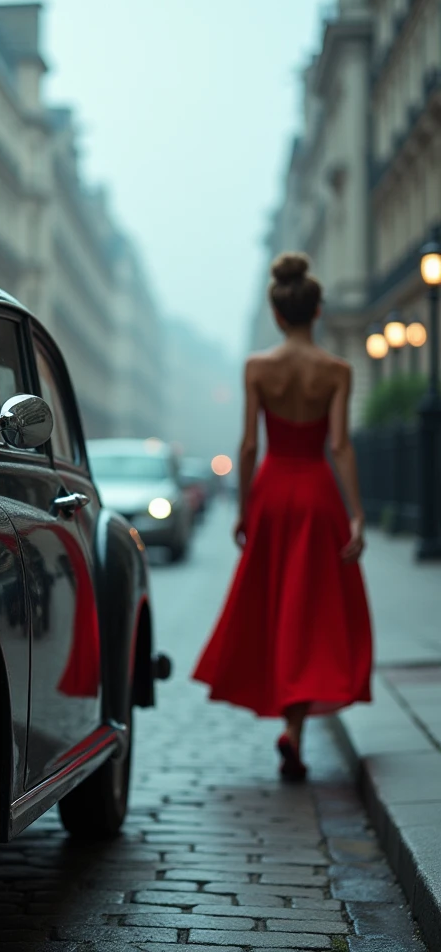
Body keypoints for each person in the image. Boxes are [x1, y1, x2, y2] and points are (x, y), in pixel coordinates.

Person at [192, 252, 372, 781]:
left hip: (274, 492)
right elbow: (340, 446)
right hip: (317, 493)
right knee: (311, 607)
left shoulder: (257, 368)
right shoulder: (337, 370)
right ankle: (295, 730)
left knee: (275, 604)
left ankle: (292, 728)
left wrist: (244, 507)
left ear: (276, 315)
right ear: (316, 313)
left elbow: (249, 444)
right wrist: (357, 514)